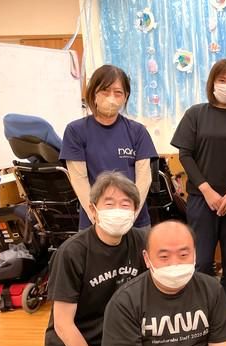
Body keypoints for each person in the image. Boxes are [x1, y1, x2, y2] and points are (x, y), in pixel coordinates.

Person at [44, 172, 147, 346]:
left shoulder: (142, 243)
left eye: (125, 204)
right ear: (93, 210)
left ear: (135, 211)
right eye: (109, 204)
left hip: (121, 344)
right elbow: (63, 325)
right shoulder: (72, 253)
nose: (118, 211)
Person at [171, 59, 226, 313]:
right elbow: (185, 155)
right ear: (212, 82)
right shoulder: (196, 114)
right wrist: (207, 190)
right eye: (222, 80)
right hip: (201, 200)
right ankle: (202, 314)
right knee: (201, 262)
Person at [61, 64, 157, 229]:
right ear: (93, 93)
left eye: (118, 93)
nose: (111, 98)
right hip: (94, 222)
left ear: (125, 97)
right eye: (105, 91)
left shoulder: (138, 131)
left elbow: (144, 178)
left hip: (135, 222)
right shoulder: (75, 131)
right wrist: (98, 219)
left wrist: (130, 217)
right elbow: (79, 179)